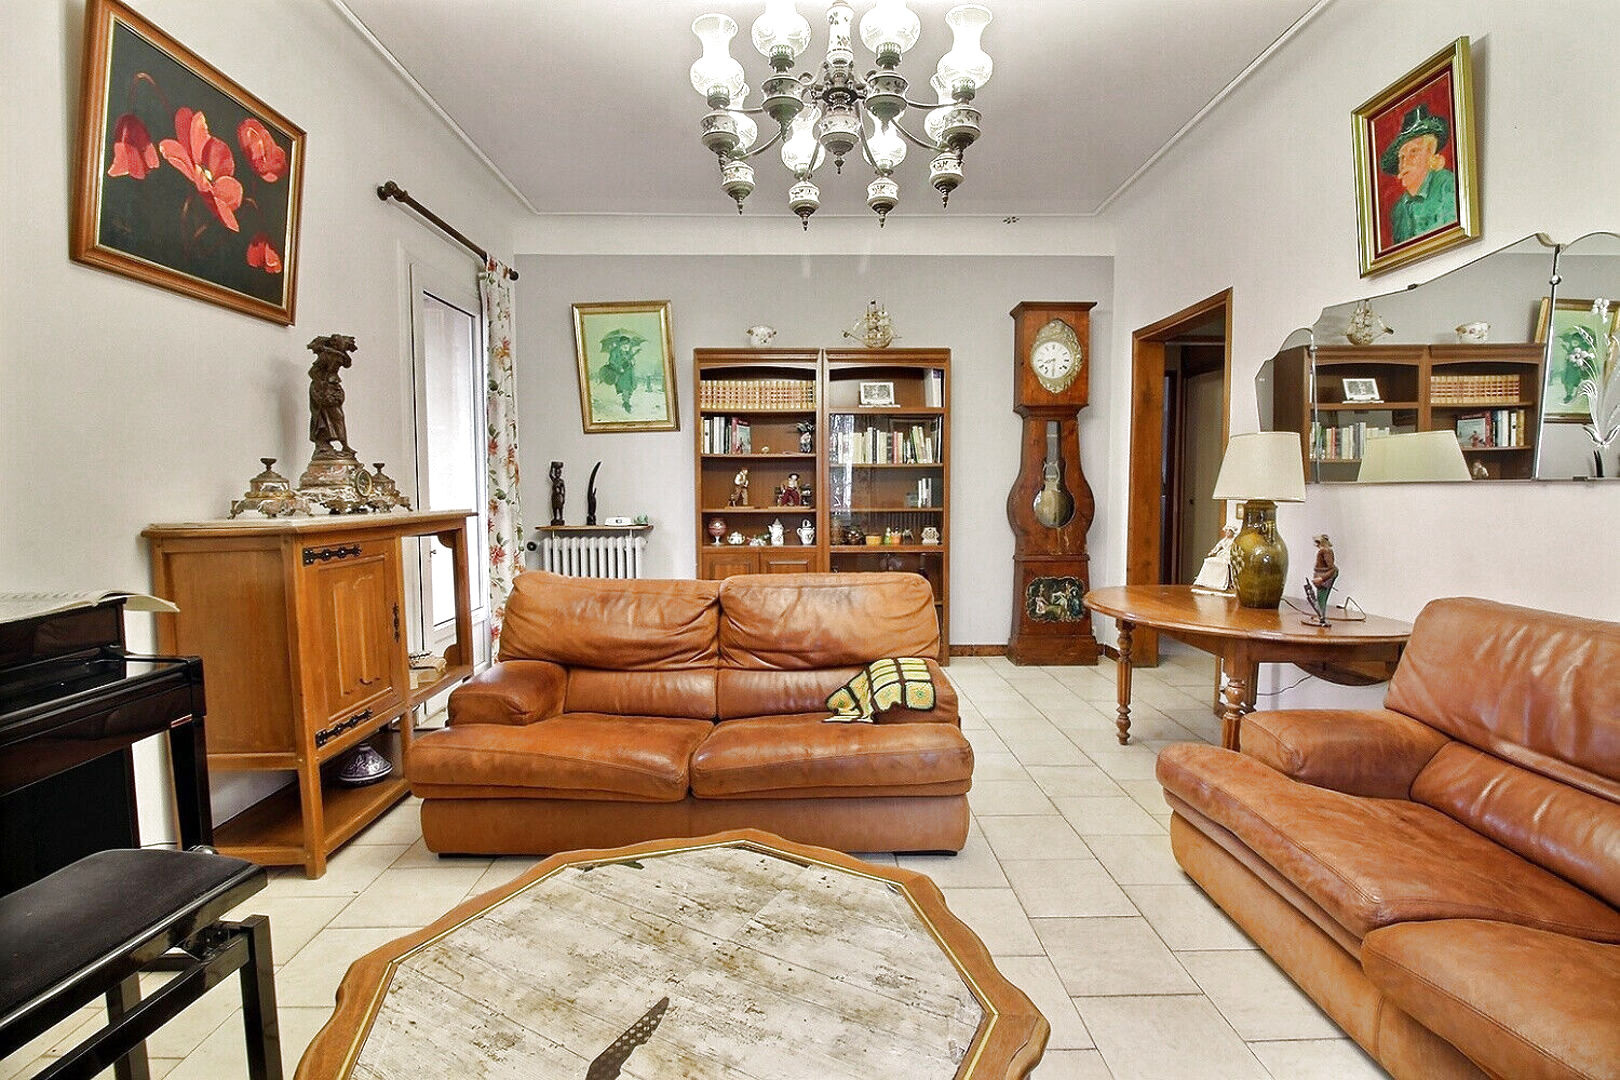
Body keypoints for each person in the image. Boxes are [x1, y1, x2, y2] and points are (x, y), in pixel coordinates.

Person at [1381, 105, 1457, 244]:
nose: (1405, 163)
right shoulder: (1398, 210)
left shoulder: (1449, 186)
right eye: (1401, 157)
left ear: (1430, 153)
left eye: (1414, 152)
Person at [306, 334, 356, 453]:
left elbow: (347, 363)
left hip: (333, 386)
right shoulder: (325, 355)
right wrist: (321, 383)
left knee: (338, 416)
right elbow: (312, 372)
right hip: (322, 388)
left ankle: (344, 445)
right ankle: (325, 443)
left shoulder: (338, 355)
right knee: (328, 416)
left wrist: (342, 353)